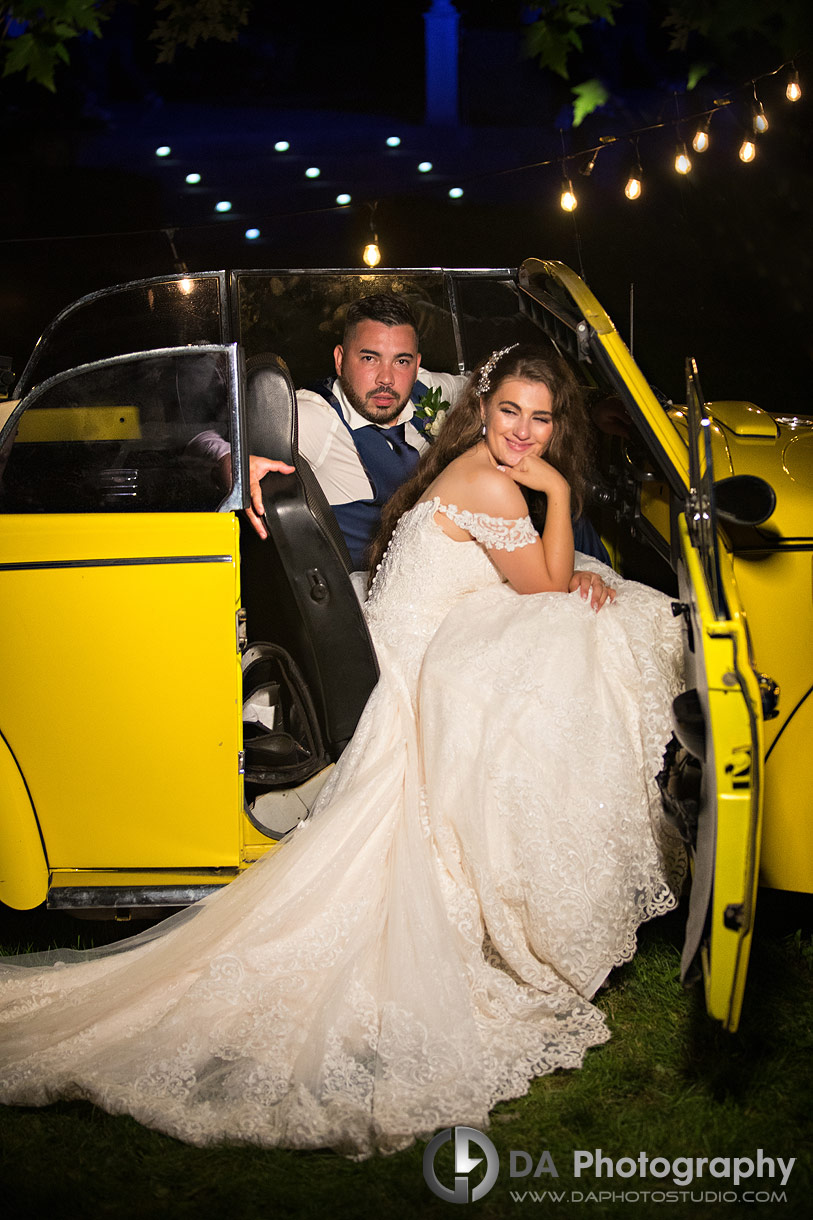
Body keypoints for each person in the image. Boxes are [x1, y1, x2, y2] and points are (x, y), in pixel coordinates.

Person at [0, 344, 685, 1158]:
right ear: (481, 409)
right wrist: (563, 494)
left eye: (541, 420)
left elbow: (538, 575)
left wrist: (570, 565)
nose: (524, 433)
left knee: (594, 620)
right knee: (602, 634)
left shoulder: (472, 465)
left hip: (407, 634)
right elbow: (541, 583)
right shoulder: (491, 479)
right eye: (509, 412)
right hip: (408, 659)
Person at [195, 292, 613, 593]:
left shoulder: (428, 391)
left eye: (402, 361)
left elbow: (516, 390)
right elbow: (208, 435)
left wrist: (596, 408)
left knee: (576, 518)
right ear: (340, 359)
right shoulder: (313, 416)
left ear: (417, 363)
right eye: (369, 358)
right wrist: (237, 463)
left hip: (461, 572)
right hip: (375, 587)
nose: (385, 379)